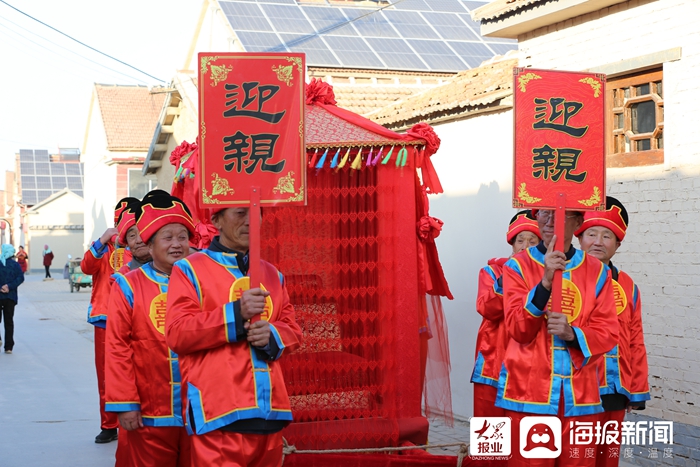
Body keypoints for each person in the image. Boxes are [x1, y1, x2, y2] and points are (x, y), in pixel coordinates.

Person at [166, 207, 302, 467]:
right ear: (215, 220)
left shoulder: (272, 274)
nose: (250, 221)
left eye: (257, 213)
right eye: (240, 213)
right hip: (218, 412)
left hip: (270, 411)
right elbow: (177, 333)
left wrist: (272, 334)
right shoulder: (189, 270)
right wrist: (236, 314)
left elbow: (292, 328)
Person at [496, 208, 619, 467]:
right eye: (544, 213)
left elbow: (608, 332)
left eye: (560, 214)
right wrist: (545, 283)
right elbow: (518, 330)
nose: (550, 220)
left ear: (577, 222)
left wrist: (572, 333)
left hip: (581, 396)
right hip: (528, 394)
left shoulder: (596, 271)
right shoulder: (516, 266)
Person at [105, 191, 194, 466]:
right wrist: (125, 403)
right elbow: (117, 347)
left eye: (183, 237)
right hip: (149, 408)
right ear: (150, 243)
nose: (177, 245)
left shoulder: (203, 279)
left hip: (200, 409)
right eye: (168, 238)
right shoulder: (128, 284)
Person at [575, 197, 650, 467]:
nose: (598, 241)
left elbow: (635, 339)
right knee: (579, 456)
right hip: (576, 388)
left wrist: (637, 390)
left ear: (617, 245)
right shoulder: (564, 277)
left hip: (615, 388)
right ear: (579, 238)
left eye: (607, 236)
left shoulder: (628, 284)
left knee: (608, 458)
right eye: (591, 234)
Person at [471, 210, 540, 417]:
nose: (525, 246)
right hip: (493, 361)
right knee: (491, 436)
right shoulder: (492, 272)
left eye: (532, 241)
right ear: (512, 244)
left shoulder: (547, 277)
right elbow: (486, 309)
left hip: (529, 365)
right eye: (520, 240)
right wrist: (508, 276)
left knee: (524, 434)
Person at [81, 197, 138, 444]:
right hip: (106, 317)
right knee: (107, 374)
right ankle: (108, 423)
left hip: (139, 315)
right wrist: (102, 240)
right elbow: (86, 267)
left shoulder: (141, 246)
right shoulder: (104, 248)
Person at [0, 244, 24, 354]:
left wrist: (2, 287)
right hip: (10, 297)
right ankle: (8, 347)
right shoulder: (15, 265)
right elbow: (20, 278)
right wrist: (9, 287)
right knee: (8, 321)